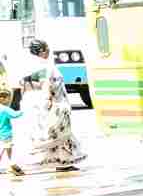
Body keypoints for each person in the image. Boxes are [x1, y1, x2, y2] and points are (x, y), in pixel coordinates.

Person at [22, 39, 85, 171]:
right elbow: (47, 84)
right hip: (53, 104)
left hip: (33, 104)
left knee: (46, 134)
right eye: (47, 49)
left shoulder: (26, 67)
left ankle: (63, 162)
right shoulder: (46, 66)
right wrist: (48, 100)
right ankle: (62, 162)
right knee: (59, 134)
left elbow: (24, 86)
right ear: (43, 51)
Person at [0, 87, 22, 176]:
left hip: (1, 133)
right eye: (8, 99)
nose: (9, 101)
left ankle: (12, 165)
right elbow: (15, 115)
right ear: (4, 99)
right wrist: (24, 111)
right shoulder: (5, 109)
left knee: (5, 149)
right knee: (5, 150)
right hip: (6, 133)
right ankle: (12, 166)